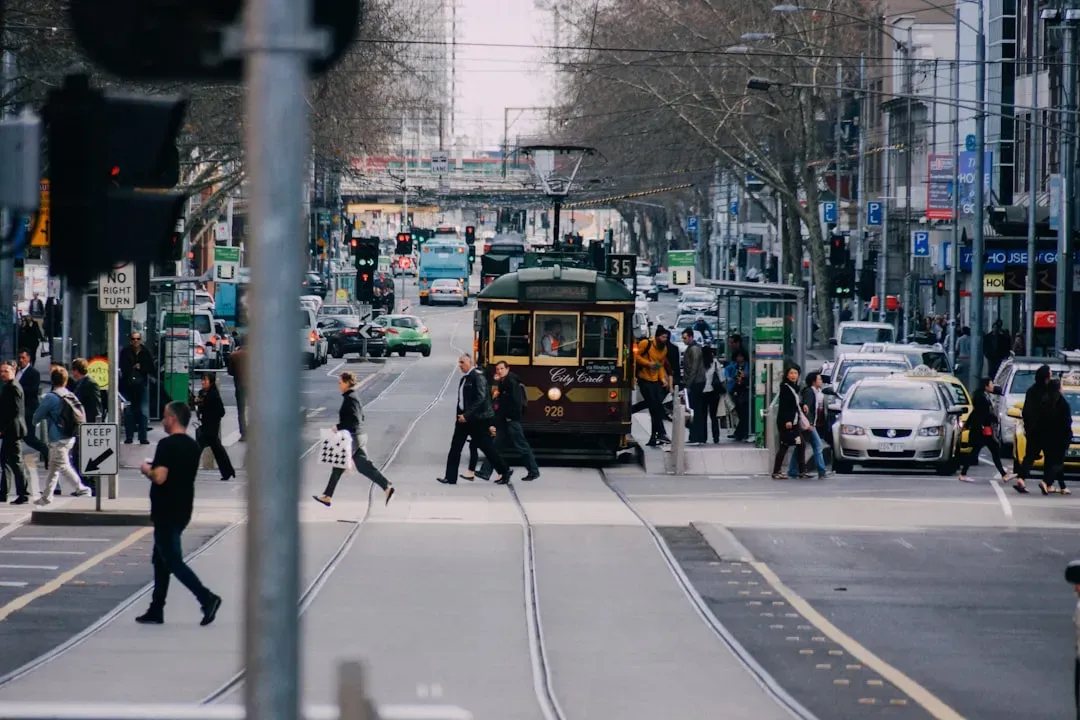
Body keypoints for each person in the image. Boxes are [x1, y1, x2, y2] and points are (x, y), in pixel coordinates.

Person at [136, 401, 222, 626]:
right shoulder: (193, 446)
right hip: (184, 508)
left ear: (173, 418)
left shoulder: (167, 444)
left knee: (173, 561)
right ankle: (156, 609)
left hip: (166, 510)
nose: (163, 421)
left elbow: (161, 476)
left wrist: (147, 469)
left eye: (165, 416)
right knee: (160, 560)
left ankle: (207, 598)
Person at [313, 371, 395, 506]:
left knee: (338, 465)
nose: (339, 385)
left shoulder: (351, 398)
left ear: (347, 383)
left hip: (354, 437)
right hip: (357, 436)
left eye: (340, 383)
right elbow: (361, 417)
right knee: (364, 467)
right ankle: (387, 487)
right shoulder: (352, 397)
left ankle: (327, 496)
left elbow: (355, 420)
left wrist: (338, 427)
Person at [436, 354, 512, 485]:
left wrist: (467, 415)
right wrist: (460, 415)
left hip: (477, 419)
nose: (460, 365)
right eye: (459, 362)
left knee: (486, 447)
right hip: (463, 420)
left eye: (462, 362)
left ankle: (504, 471)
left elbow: (481, 399)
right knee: (455, 447)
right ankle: (450, 477)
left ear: (471, 363)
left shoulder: (478, 377)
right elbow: (462, 400)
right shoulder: (464, 379)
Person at [32, 367, 91, 504]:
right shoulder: (70, 395)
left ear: (52, 381)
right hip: (70, 436)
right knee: (57, 466)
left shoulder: (51, 397)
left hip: (57, 437)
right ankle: (47, 497)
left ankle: (81, 489)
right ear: (65, 381)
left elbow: (37, 417)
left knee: (60, 466)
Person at [476, 361, 540, 482]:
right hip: (505, 421)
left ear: (507, 369)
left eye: (502, 368)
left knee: (521, 446)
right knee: (495, 447)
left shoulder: (511, 382)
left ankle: (533, 471)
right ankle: (486, 472)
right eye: (497, 369)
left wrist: (509, 416)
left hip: (511, 421)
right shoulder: (504, 381)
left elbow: (515, 402)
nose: (499, 371)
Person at [958, 377, 1014, 484]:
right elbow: (982, 414)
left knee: (986, 451)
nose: (993, 386)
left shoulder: (983, 395)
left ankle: (1004, 474)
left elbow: (977, 412)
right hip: (982, 429)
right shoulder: (980, 397)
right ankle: (1004, 475)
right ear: (986, 386)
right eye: (991, 384)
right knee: (990, 450)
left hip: (982, 429)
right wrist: (993, 418)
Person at [1014, 364, 1052, 493]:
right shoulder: (1049, 392)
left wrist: (1028, 426)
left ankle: (1021, 478)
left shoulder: (1031, 391)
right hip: (1046, 430)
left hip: (1032, 430)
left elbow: (1026, 411)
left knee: (1029, 456)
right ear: (1046, 377)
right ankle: (1046, 482)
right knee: (1050, 456)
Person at [633, 326, 671, 447]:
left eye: (666, 337)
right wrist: (648, 364)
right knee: (655, 406)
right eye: (663, 337)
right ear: (657, 337)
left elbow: (660, 365)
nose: (665, 339)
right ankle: (661, 433)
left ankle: (654, 437)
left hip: (655, 380)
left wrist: (662, 379)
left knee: (655, 408)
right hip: (644, 379)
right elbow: (636, 357)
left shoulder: (664, 349)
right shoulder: (646, 344)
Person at [194, 374, 235, 482]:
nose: (203, 382)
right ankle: (228, 471)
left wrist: (209, 414)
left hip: (210, 427)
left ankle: (187, 471)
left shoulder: (213, 394)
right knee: (218, 450)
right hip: (206, 427)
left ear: (210, 382)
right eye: (202, 380)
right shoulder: (203, 393)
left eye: (205, 380)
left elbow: (221, 411)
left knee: (196, 450)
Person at [71, 358, 102, 493]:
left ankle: (90, 486)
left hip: (87, 425)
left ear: (76, 371)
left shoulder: (90, 384)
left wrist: (93, 425)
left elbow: (96, 407)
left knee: (85, 457)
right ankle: (85, 486)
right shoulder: (80, 383)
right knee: (78, 457)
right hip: (81, 425)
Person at [0, 361, 29, 505]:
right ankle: (3, 493)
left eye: (6, 371)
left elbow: (14, 412)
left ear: (13, 371)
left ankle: (23, 493)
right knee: (5, 461)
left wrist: (3, 428)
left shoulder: (14, 387)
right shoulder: (8, 387)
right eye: (1, 371)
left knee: (16, 462)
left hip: (13, 430)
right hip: (9, 431)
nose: (3, 374)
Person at [119, 331, 155, 445]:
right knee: (129, 411)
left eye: (138, 339)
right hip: (129, 386)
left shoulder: (145, 352)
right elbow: (123, 367)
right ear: (130, 340)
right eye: (133, 339)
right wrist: (132, 367)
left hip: (142, 385)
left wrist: (141, 367)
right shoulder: (125, 351)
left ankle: (143, 437)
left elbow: (151, 368)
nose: (136, 341)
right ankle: (129, 437)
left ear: (141, 340)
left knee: (143, 411)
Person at [790, 371, 828, 478]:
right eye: (819, 379)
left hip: (811, 424)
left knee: (800, 447)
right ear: (814, 381)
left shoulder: (817, 392)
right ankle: (822, 471)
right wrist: (810, 423)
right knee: (818, 446)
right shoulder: (809, 392)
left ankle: (792, 470)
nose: (821, 381)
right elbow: (806, 409)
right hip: (808, 425)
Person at [1038, 379, 1072, 496]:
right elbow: (1067, 422)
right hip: (1059, 438)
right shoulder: (1062, 403)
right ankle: (1046, 481)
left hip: (1046, 436)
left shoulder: (1044, 401)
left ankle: (1060, 486)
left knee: (1050, 461)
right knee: (1058, 463)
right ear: (1058, 388)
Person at [772, 364, 806, 479]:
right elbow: (784, 406)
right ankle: (776, 471)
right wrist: (787, 420)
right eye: (791, 373)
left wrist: (802, 405)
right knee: (785, 445)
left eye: (795, 373)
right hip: (786, 422)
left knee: (800, 444)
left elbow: (794, 403)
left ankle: (801, 471)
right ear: (787, 375)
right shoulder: (785, 387)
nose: (793, 375)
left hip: (794, 421)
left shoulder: (794, 387)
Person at [15, 348, 46, 464]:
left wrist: (18, 389)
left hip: (29, 409)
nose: (21, 360)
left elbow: (33, 391)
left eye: (23, 358)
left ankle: (46, 451)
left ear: (28, 358)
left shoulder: (34, 373)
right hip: (18, 409)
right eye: (20, 358)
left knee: (29, 438)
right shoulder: (17, 372)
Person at [681, 328, 707, 444]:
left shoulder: (694, 349)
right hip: (695, 382)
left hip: (696, 383)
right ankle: (696, 435)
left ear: (691, 337)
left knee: (695, 410)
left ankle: (696, 436)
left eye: (685, 338)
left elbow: (694, 368)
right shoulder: (692, 348)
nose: (684, 340)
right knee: (695, 409)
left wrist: (688, 385)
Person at [701, 346, 725, 444]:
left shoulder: (700, 363)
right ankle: (716, 437)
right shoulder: (715, 363)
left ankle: (703, 437)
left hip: (702, 392)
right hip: (713, 392)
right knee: (714, 416)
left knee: (703, 416)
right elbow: (721, 378)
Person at [725, 350, 750, 442]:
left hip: (745, 391)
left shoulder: (747, 366)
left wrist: (745, 375)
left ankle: (739, 433)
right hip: (736, 390)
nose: (739, 358)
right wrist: (729, 378)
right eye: (738, 357)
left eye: (741, 356)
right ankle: (740, 432)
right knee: (740, 412)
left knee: (744, 413)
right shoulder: (735, 366)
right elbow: (727, 370)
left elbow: (748, 377)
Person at [226, 343, 247, 441]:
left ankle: (244, 433)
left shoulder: (234, 355)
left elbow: (230, 371)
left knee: (241, 411)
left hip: (239, 386)